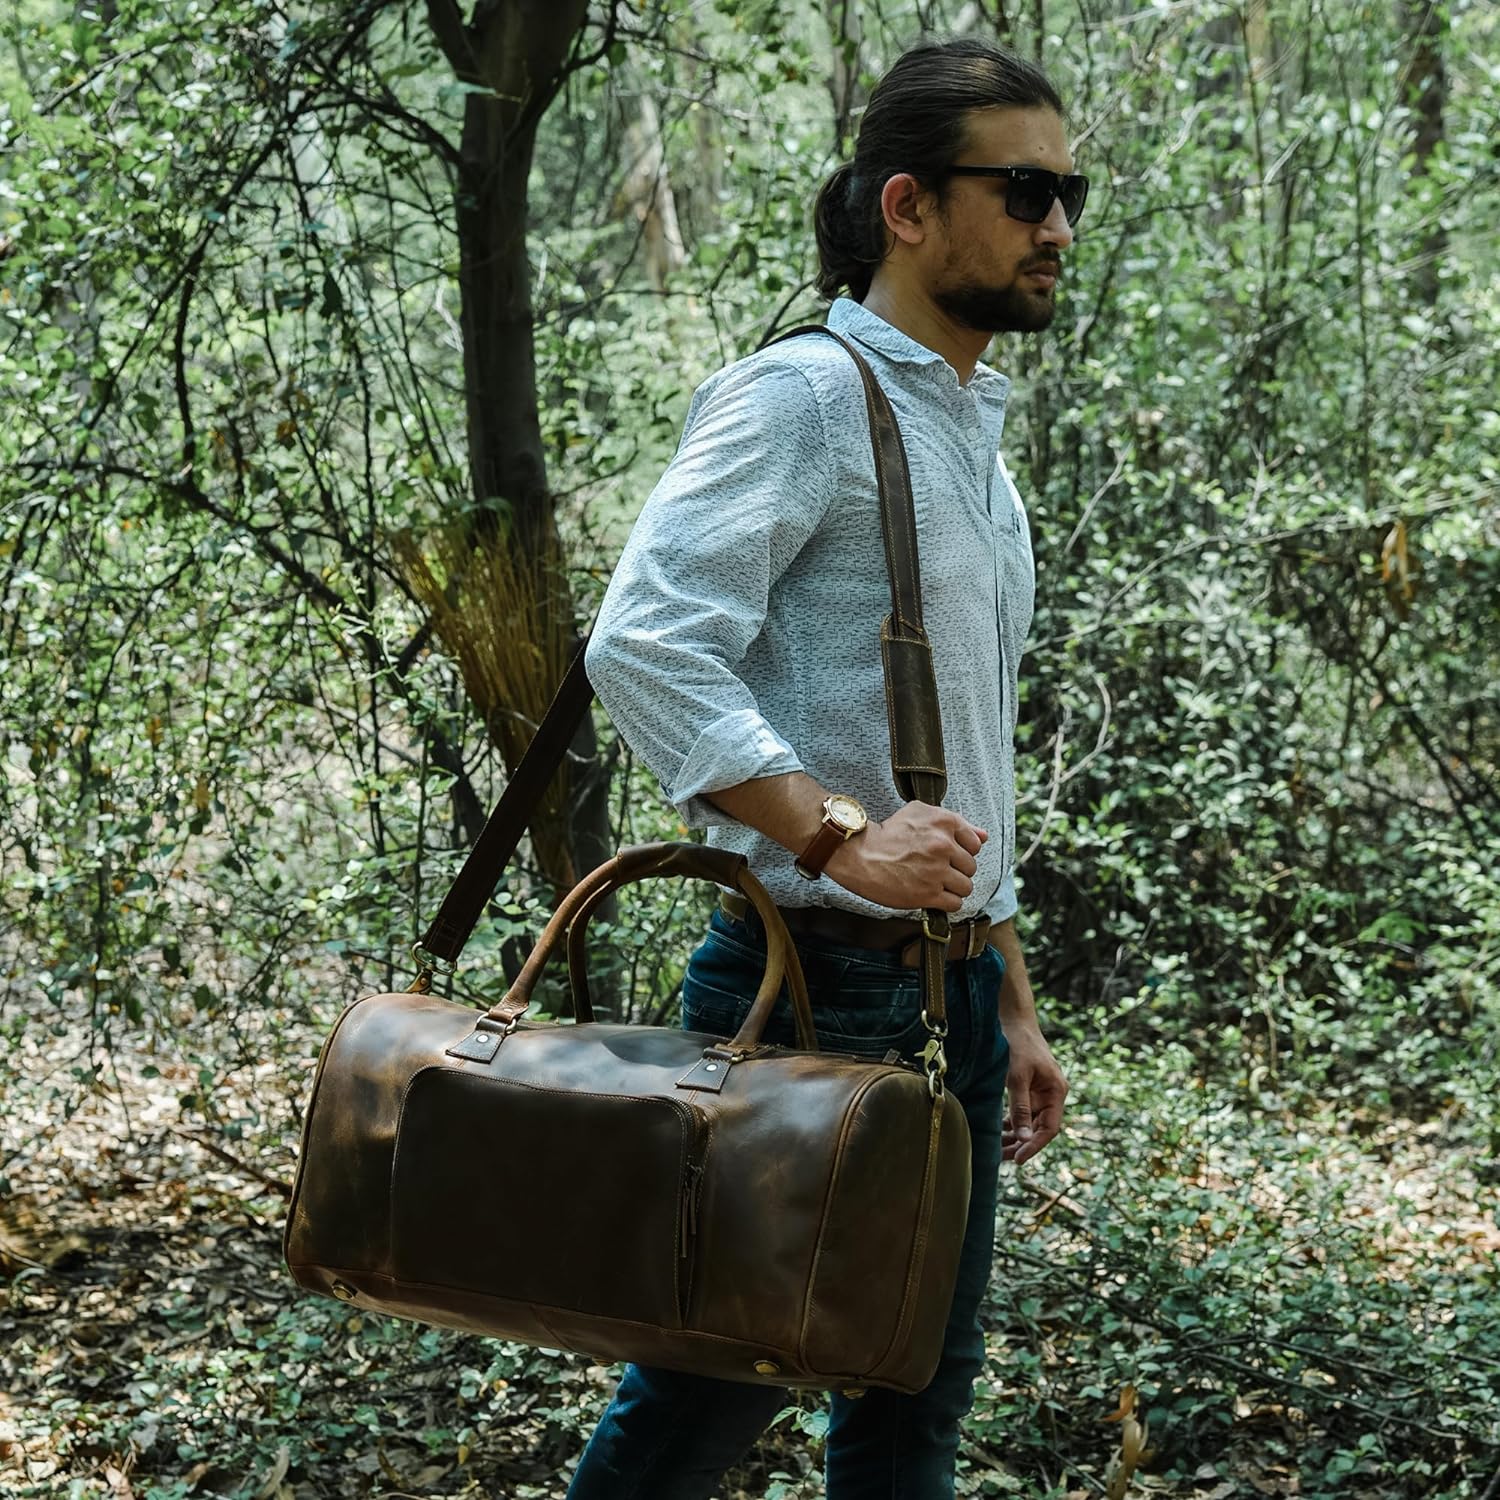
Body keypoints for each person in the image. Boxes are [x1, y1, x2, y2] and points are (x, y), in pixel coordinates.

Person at [569, 35, 1078, 1500]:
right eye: (1026, 190)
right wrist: (840, 833)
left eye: (1070, 193)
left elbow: (965, 751)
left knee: (912, 1399)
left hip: (948, 1000)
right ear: (907, 206)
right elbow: (646, 642)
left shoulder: (973, 440)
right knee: (703, 1403)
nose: (1057, 227)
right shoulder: (801, 398)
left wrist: (1006, 990)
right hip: (806, 988)